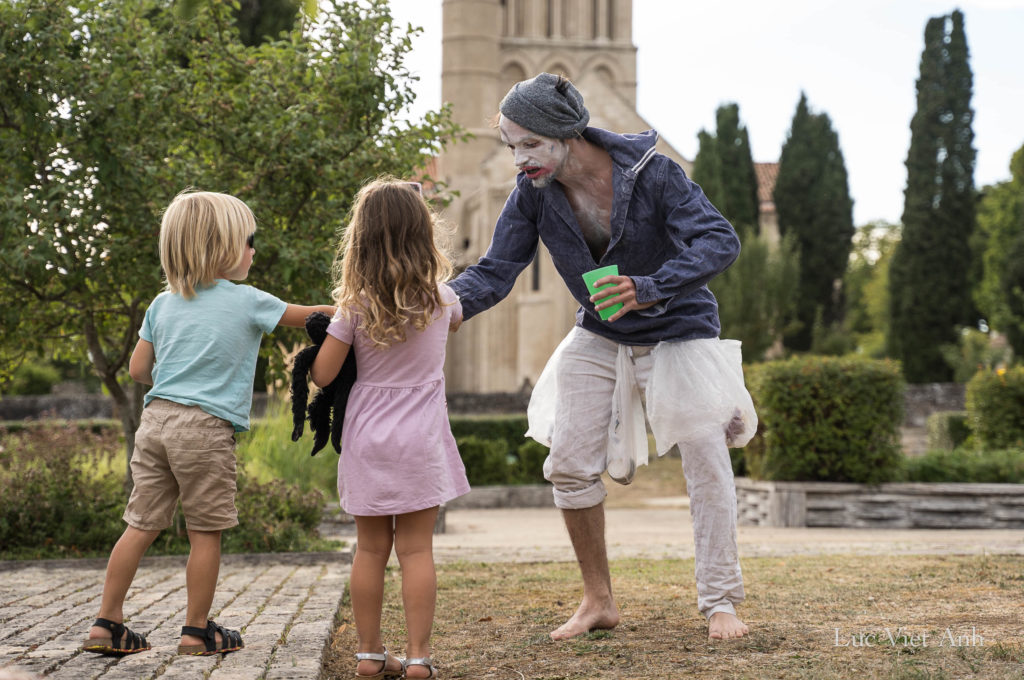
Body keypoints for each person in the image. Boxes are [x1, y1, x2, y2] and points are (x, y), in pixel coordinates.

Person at [448, 73, 757, 641]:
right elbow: (495, 271)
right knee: (567, 464)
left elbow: (720, 241)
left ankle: (721, 602)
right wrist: (441, 304)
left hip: (679, 330)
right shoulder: (532, 195)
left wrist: (652, 285)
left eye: (529, 144)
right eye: (511, 146)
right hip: (599, 330)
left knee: (706, 463)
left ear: (566, 133)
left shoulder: (655, 174)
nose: (519, 159)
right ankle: (599, 600)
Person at [81, 190, 337, 658]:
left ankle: (106, 622)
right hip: (204, 429)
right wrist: (364, 303)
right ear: (221, 247)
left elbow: (139, 371)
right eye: (247, 241)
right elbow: (315, 318)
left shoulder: (162, 304)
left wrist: (178, 373)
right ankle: (196, 630)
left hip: (155, 423)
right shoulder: (247, 300)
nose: (253, 250)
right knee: (204, 532)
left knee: (138, 524)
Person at [311, 178, 470, 679]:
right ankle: (419, 658)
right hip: (420, 439)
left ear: (360, 240)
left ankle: (369, 653)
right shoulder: (444, 300)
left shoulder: (354, 307)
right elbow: (455, 323)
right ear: (424, 235)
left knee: (370, 550)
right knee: (417, 549)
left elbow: (323, 375)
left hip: (369, 441)